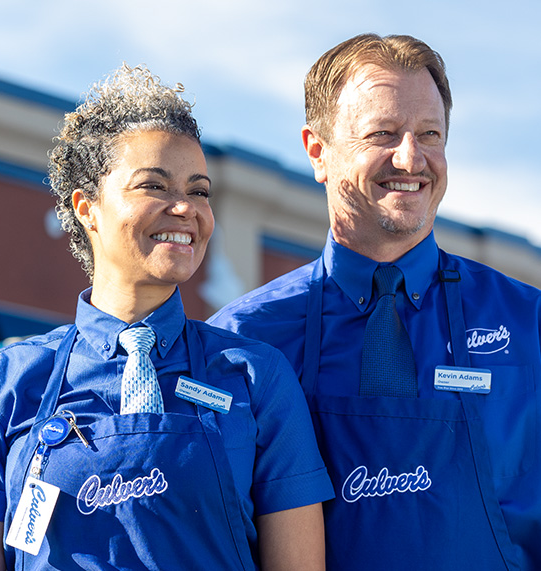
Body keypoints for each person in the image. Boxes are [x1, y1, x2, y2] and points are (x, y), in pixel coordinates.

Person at [0, 64, 334, 570]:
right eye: (155, 186)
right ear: (87, 208)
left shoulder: (256, 376)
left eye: (199, 191)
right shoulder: (2, 382)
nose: (185, 208)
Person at [209, 33, 541, 570]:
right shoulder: (242, 341)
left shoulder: (529, 323)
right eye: (383, 133)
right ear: (318, 152)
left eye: (429, 134)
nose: (411, 158)